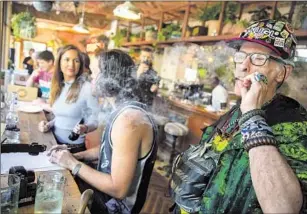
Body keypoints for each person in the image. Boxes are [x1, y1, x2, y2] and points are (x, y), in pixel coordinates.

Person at [171, 19, 307, 214]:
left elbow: (283, 209)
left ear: (283, 73)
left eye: (258, 58)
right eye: (241, 55)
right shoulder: (235, 111)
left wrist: (252, 116)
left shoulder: (295, 125)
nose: (243, 66)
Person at [47, 49, 157, 214]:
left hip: (115, 208)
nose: (89, 76)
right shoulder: (122, 109)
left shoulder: (129, 120)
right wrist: (75, 156)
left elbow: (118, 189)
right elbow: (113, 151)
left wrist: (72, 163)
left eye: (95, 72)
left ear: (110, 78)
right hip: (104, 198)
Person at [38, 45, 99, 150]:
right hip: (52, 142)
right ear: (59, 63)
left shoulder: (87, 88)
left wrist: (85, 128)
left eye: (76, 61)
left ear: (80, 65)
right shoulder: (58, 85)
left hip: (73, 148)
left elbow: (96, 120)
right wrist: (49, 125)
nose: (71, 64)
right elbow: (63, 117)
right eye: (67, 59)